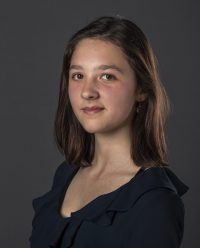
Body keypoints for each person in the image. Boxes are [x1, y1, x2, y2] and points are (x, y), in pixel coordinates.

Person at [29, 15, 189, 248]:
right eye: (78, 75)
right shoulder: (65, 174)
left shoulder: (155, 203)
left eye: (106, 76)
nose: (87, 92)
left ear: (141, 89)